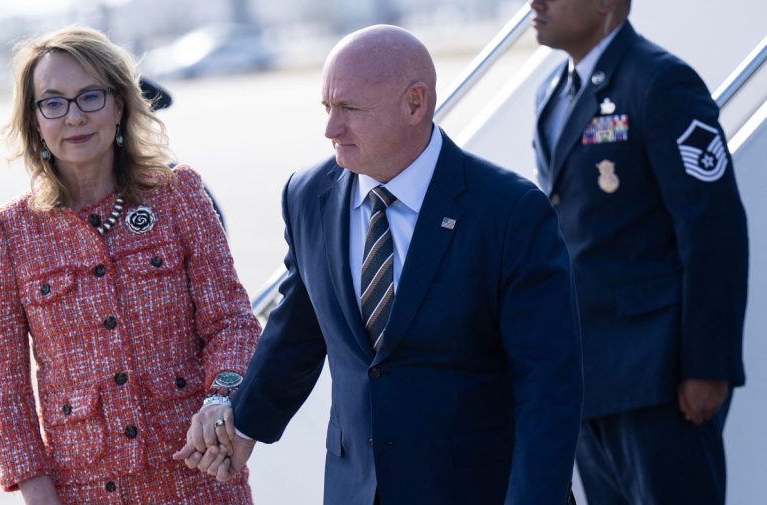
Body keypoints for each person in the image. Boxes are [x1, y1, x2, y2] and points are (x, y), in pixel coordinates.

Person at [176, 24, 583, 505]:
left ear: (416, 104)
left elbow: (548, 383)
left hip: (478, 489)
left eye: (349, 108)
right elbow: (298, 331)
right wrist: (245, 424)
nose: (330, 129)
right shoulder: (309, 196)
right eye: (327, 108)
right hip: (357, 491)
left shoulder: (509, 210)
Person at [0, 26, 260, 505]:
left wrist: (221, 398)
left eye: (90, 96)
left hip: (198, 476)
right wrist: (34, 486)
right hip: (83, 490)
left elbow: (231, 322)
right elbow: (3, 382)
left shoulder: (179, 194)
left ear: (120, 104)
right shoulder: (6, 233)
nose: (75, 117)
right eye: (54, 102)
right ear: (35, 120)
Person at [530, 1, 749, 504]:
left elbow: (714, 231)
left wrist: (708, 364)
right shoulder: (551, 93)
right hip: (589, 378)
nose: (534, 2)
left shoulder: (660, 82)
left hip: (659, 377)